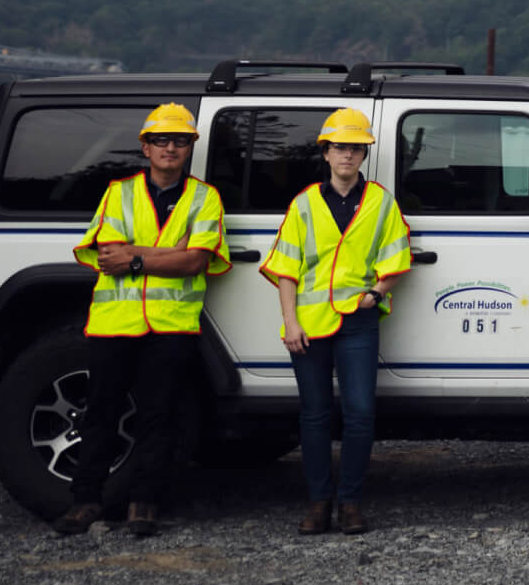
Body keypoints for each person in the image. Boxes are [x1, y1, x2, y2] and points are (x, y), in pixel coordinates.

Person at [54, 102, 230, 538]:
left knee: (160, 415)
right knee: (100, 412)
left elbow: (195, 262)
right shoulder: (120, 192)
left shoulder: (205, 197)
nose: (171, 147)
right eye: (162, 140)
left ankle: (143, 504)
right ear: (145, 147)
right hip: (116, 320)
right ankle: (85, 501)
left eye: (180, 141)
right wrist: (163, 255)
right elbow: (109, 256)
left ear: (191, 147)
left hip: (171, 324)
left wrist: (137, 254)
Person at [262, 108, 411, 536]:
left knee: (361, 413)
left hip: (358, 322)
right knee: (314, 415)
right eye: (340, 147)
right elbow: (286, 268)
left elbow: (396, 256)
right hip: (308, 325)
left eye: (356, 148)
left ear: (364, 155)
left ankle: (350, 503)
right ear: (325, 153)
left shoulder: (381, 201)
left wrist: (375, 295)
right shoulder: (304, 204)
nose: (348, 155)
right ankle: (317, 503)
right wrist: (290, 323)